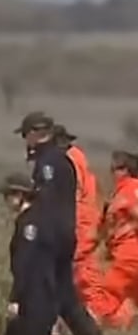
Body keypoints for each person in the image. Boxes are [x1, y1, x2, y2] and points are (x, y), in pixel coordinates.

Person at [16, 111, 118, 335]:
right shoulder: (64, 160)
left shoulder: (51, 163)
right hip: (65, 236)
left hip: (52, 239)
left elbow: (49, 204)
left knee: (41, 292)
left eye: (27, 135)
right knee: (67, 302)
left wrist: (37, 234)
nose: (25, 142)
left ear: (37, 133)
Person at [0, 172, 94, 335]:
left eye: (8, 195)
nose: (6, 201)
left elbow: (26, 266)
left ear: (19, 195)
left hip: (34, 300)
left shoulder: (30, 224)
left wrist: (16, 300)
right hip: (41, 297)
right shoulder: (41, 220)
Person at [55, 123, 110, 319]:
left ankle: (98, 316)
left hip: (81, 223)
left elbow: (75, 194)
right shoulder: (78, 158)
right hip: (86, 221)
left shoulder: (70, 160)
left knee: (84, 273)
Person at [95, 150, 138, 329]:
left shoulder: (131, 190)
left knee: (108, 294)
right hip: (122, 253)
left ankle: (95, 333)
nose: (112, 173)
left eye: (116, 169)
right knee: (130, 301)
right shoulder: (120, 193)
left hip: (130, 254)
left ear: (126, 170)